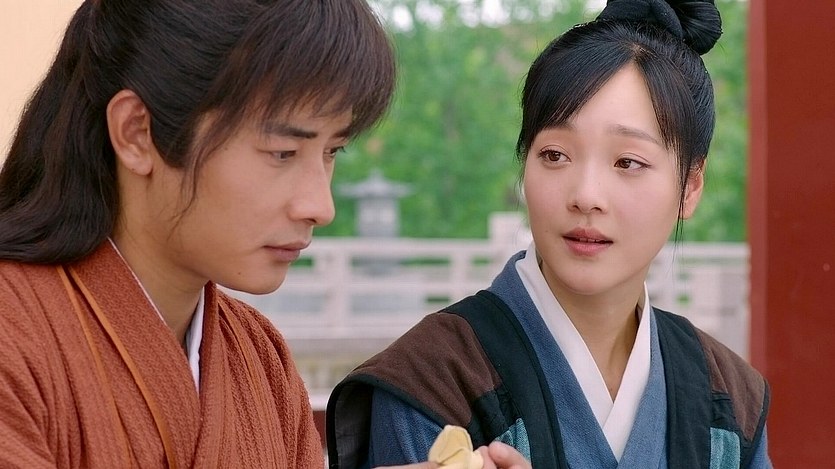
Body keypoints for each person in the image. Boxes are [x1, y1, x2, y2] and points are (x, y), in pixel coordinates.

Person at [327, 0, 772, 467]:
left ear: (690, 186)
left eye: (627, 162)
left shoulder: (731, 397)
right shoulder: (433, 381)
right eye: (555, 155)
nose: (586, 195)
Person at [0, 0, 398, 466]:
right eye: (283, 152)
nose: (320, 206)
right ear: (137, 133)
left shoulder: (259, 356)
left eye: (332, 152)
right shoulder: (14, 334)